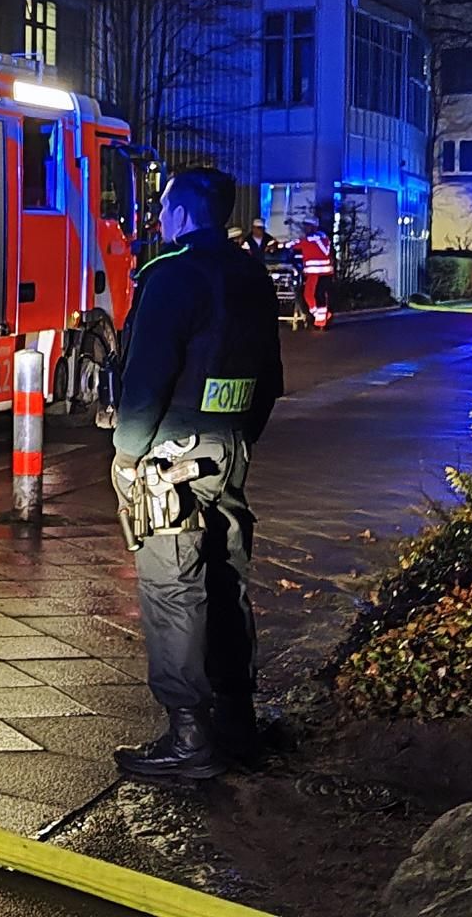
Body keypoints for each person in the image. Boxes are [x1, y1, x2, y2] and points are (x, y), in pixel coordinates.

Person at [109, 166, 285, 780]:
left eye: (164, 209)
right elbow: (271, 379)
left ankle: (189, 737)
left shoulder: (171, 276)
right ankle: (237, 722)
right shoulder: (252, 275)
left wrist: (128, 457)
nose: (157, 219)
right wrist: (237, 438)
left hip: (171, 458)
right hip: (231, 446)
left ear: (182, 215)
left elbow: (145, 379)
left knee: (171, 587)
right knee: (224, 579)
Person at [290, 217, 333, 329]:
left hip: (319, 272)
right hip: (317, 273)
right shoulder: (321, 237)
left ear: (314, 226)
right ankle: (320, 317)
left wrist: (278, 246)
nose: (305, 228)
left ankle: (321, 321)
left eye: (308, 225)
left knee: (317, 295)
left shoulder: (312, 238)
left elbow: (295, 244)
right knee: (311, 295)